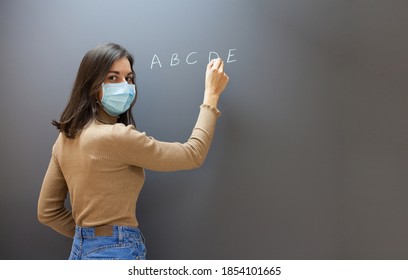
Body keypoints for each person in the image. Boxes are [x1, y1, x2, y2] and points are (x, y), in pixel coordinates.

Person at [37, 43, 229, 260]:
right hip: (117, 252)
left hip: (80, 252)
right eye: (112, 78)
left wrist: (91, 238)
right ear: (91, 84)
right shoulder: (118, 137)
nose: (125, 85)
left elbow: (47, 211)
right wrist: (211, 96)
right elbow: (193, 154)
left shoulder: (65, 138)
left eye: (128, 78)